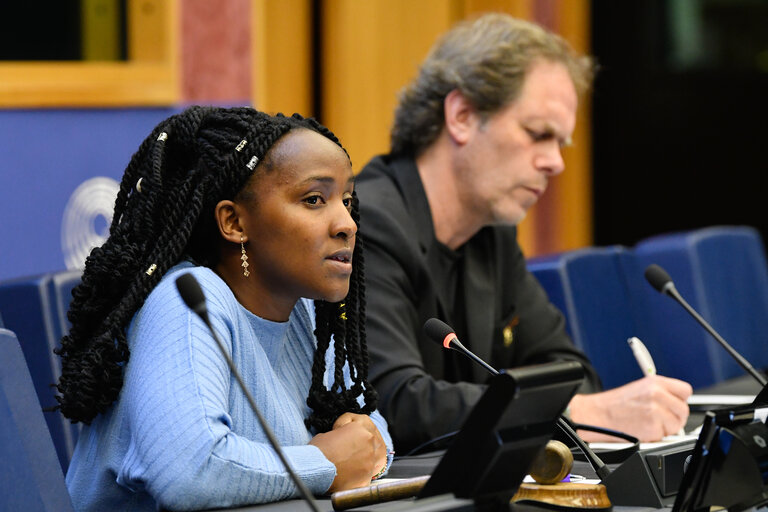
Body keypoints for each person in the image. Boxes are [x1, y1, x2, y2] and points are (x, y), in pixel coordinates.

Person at [355, 13, 693, 454]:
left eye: (560, 142)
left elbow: (571, 371)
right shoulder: (366, 224)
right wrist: (583, 416)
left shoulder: (491, 233)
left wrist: (561, 405)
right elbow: (397, 406)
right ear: (461, 116)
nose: (556, 163)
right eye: (538, 134)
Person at [55, 106, 393, 511]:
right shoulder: (187, 300)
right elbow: (189, 471)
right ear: (234, 222)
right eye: (315, 199)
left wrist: (360, 446)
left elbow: (374, 436)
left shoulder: (308, 312)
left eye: (347, 199)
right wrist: (326, 461)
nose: (347, 223)